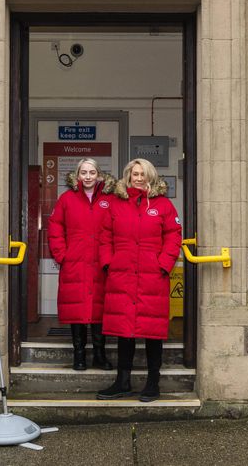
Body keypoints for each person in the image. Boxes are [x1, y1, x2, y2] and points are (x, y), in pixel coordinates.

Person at [96, 158, 181, 402]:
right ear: (128, 176)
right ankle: (122, 382)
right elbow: (105, 237)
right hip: (122, 276)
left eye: (143, 173)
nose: (139, 178)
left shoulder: (163, 205)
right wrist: (109, 263)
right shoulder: (115, 203)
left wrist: (163, 265)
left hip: (152, 277)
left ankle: (153, 382)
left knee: (153, 332)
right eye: (135, 173)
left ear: (151, 176)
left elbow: (173, 236)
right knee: (124, 331)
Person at [46, 158, 115, 371]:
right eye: (83, 172)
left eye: (92, 172)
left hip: (101, 265)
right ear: (77, 176)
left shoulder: (110, 199)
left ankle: (100, 354)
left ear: (99, 175)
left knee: (99, 309)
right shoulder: (66, 199)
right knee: (77, 311)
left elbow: (117, 228)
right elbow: (55, 227)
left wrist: (112, 259)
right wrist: (62, 255)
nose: (87, 177)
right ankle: (79, 354)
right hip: (75, 264)